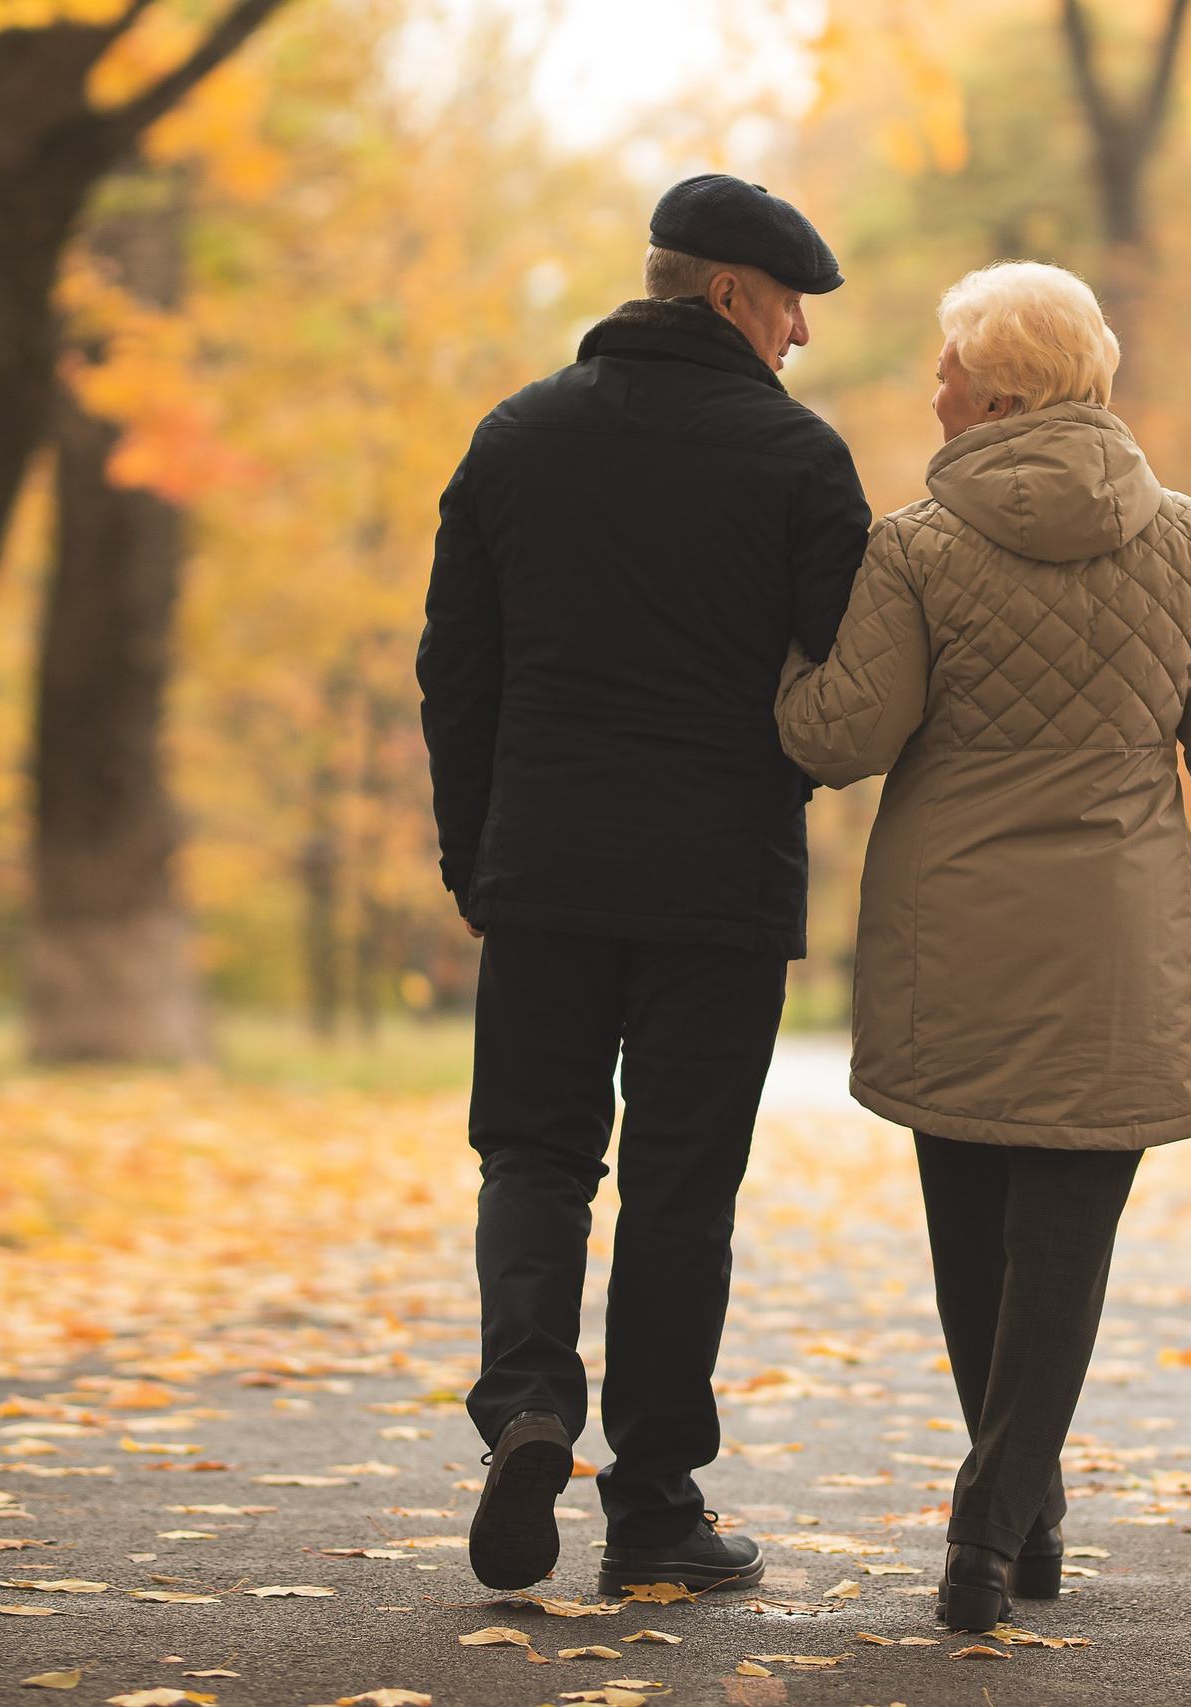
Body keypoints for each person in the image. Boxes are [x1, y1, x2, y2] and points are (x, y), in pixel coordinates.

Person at [774, 260, 1191, 1632]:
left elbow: (841, 739)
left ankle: (995, 1515)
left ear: (998, 389)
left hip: (953, 945)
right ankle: (1013, 1516)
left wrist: (773, 652)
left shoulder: (917, 545)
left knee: (974, 1256)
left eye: (949, 366)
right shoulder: (1185, 539)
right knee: (1062, 1259)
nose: (934, 387)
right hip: (1115, 953)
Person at [416, 174, 870, 1599]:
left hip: (544, 863)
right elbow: (843, 676)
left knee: (536, 1155)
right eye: (791, 303)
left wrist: (475, 853)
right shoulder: (798, 461)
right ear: (731, 293)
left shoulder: (515, 437)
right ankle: (657, 1503)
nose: (799, 333)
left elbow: (456, 672)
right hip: (719, 881)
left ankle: (530, 1404)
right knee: (684, 1183)